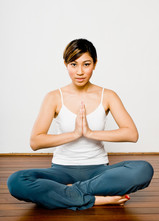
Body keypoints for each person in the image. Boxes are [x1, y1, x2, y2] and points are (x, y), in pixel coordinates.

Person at [7, 39, 154, 210]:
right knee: (16, 181)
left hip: (99, 172)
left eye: (86, 64)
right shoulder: (54, 97)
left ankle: (70, 193)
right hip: (61, 171)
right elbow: (35, 142)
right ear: (65, 65)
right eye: (73, 64)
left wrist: (90, 133)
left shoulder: (108, 95)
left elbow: (131, 134)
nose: (80, 72)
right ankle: (96, 199)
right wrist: (74, 134)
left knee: (144, 169)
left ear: (95, 64)